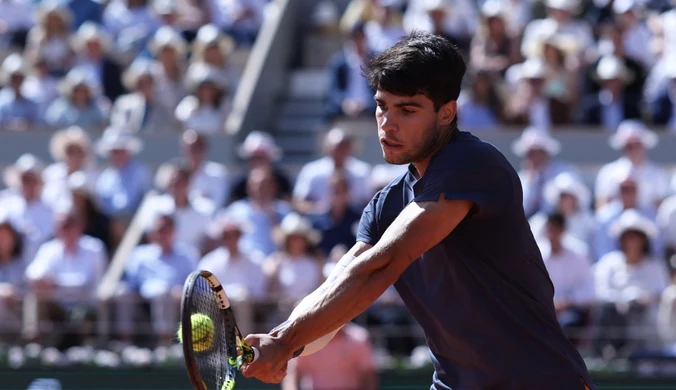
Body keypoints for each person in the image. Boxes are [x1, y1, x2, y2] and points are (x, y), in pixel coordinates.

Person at [241, 32, 596, 389]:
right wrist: (284, 339)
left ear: (447, 113)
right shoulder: (386, 205)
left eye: (407, 110)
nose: (387, 123)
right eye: (382, 106)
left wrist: (285, 343)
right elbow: (340, 282)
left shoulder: (473, 163)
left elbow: (383, 263)